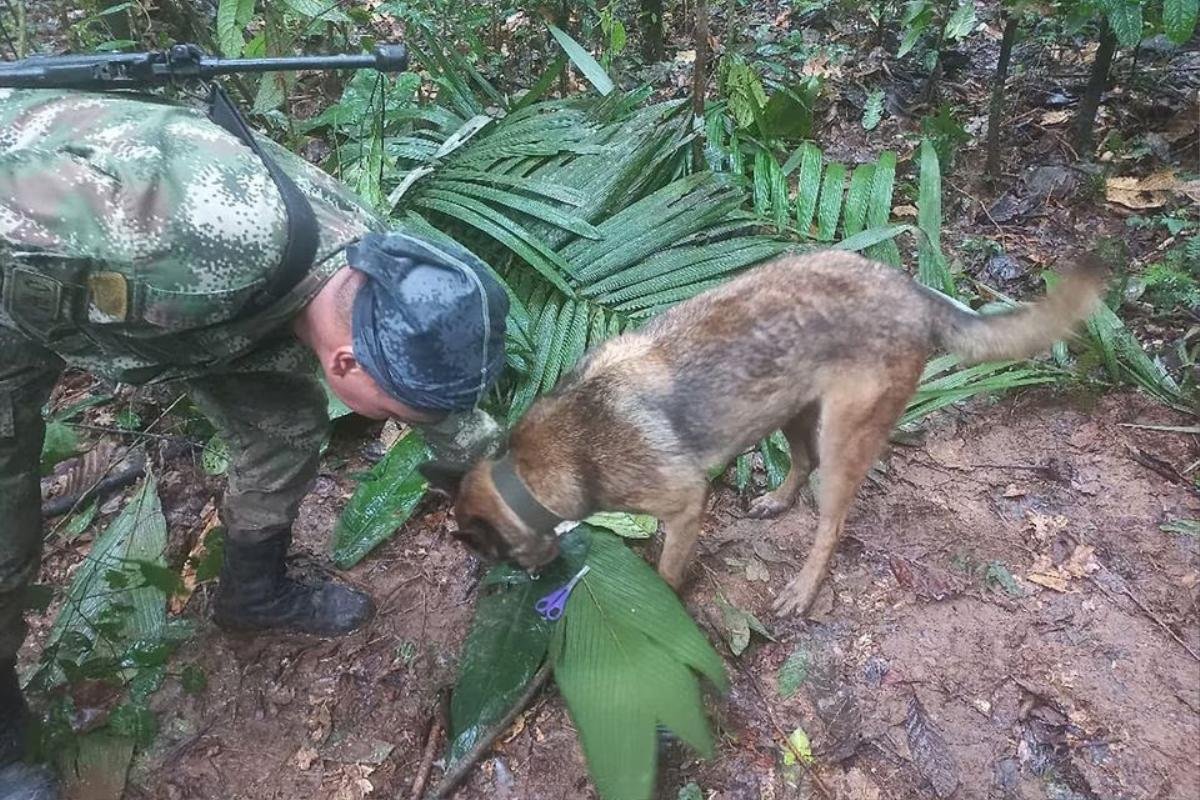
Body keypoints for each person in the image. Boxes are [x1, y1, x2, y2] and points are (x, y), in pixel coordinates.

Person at [0, 87, 509, 796]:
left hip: (187, 316)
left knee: (285, 427)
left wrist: (510, 498)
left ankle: (252, 591)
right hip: (20, 275)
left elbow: (445, 409)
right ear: (346, 365)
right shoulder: (181, 236)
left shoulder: (378, 274)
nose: (414, 420)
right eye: (402, 412)